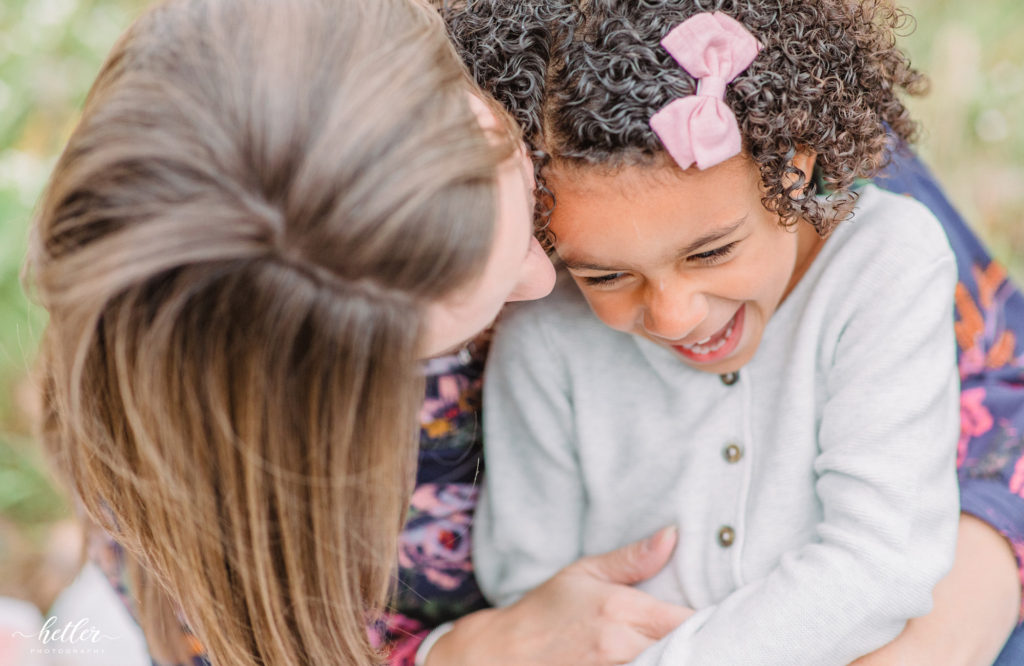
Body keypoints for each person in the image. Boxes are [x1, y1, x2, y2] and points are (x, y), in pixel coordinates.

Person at [77, 2, 1024, 666]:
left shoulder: (651, 88)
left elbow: (996, 371)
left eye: (513, 190)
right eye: (463, 316)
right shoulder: (196, 467)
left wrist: (963, 611)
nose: (546, 283)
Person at [24, 0, 556, 664]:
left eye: (520, 179)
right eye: (441, 342)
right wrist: (462, 654)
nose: (545, 283)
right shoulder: (229, 502)